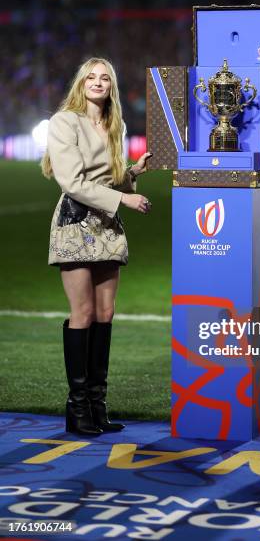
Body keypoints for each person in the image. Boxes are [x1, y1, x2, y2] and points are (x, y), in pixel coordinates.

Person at [41, 57, 152, 436]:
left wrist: (132, 175)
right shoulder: (63, 122)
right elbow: (72, 183)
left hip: (106, 225)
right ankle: (77, 408)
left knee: (105, 312)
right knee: (84, 312)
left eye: (105, 78)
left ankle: (97, 405)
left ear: (111, 87)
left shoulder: (112, 125)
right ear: (81, 82)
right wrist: (124, 200)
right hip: (75, 222)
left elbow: (109, 180)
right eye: (91, 76)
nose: (98, 82)